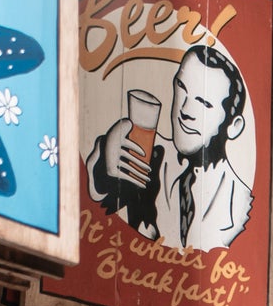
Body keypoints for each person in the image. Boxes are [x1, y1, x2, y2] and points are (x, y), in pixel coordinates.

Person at [87, 43, 253, 251]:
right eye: (182, 88)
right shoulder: (149, 155)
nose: (185, 110)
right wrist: (105, 158)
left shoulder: (242, 204)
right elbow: (99, 196)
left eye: (204, 103)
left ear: (234, 126)